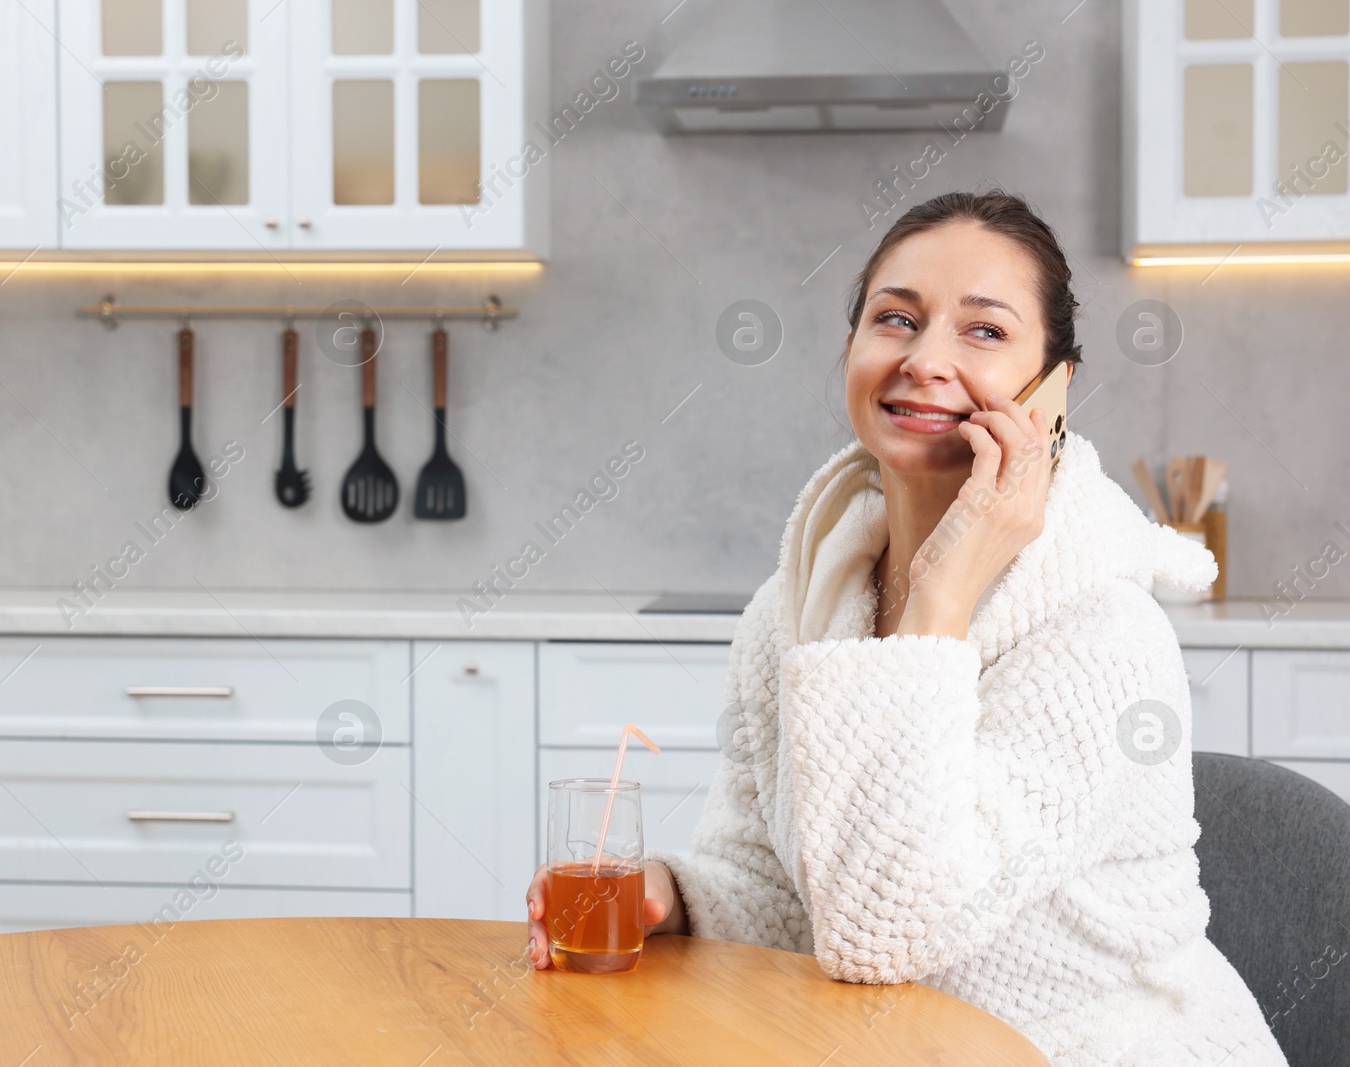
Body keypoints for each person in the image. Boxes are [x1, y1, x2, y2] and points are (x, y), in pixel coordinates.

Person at [525, 191, 1286, 1065]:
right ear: (851, 350)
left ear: (1053, 386)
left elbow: (891, 930)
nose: (926, 360)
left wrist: (942, 593)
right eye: (895, 319)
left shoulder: (1102, 636)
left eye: (985, 332)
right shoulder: (795, 606)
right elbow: (784, 886)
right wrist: (675, 896)